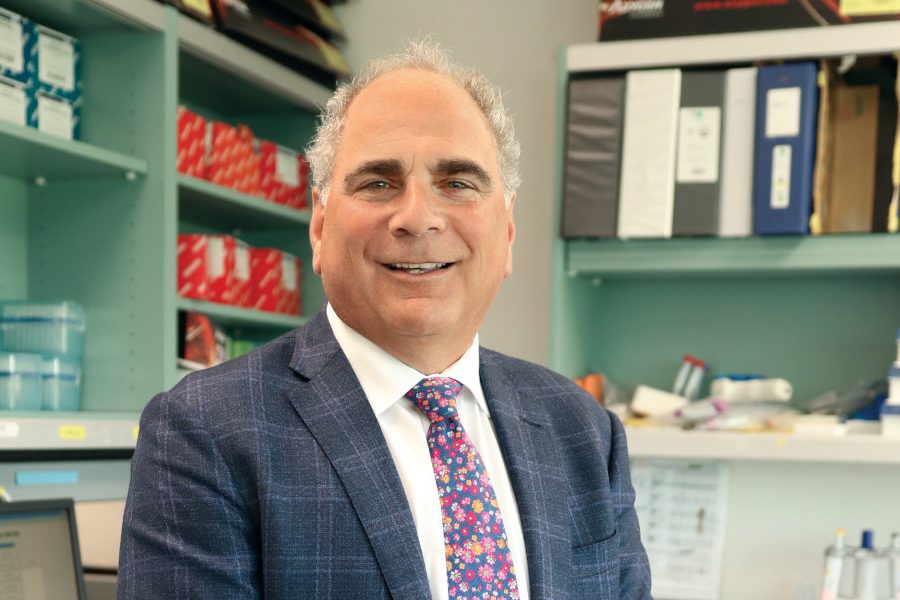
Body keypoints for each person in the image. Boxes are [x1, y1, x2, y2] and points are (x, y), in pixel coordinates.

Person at [118, 40, 651, 600]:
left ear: (508, 231)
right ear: (320, 227)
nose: (417, 217)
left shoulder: (585, 431)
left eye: (458, 183)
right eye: (378, 183)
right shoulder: (202, 431)